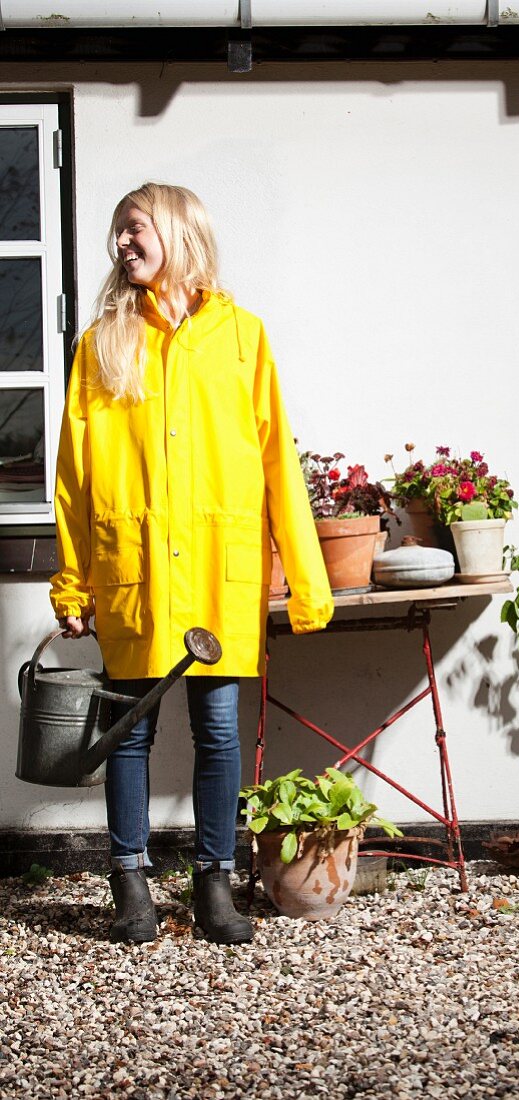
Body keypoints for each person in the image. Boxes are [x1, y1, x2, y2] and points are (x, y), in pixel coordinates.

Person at [50, 182, 333, 945]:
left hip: (216, 567)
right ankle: (130, 882)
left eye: (134, 229)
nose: (122, 245)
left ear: (178, 231)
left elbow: (279, 462)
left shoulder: (243, 337)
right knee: (128, 733)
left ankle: (213, 881)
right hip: (134, 566)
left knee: (217, 729)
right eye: (117, 234)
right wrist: (73, 577)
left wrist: (307, 580)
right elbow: (75, 473)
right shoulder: (103, 341)